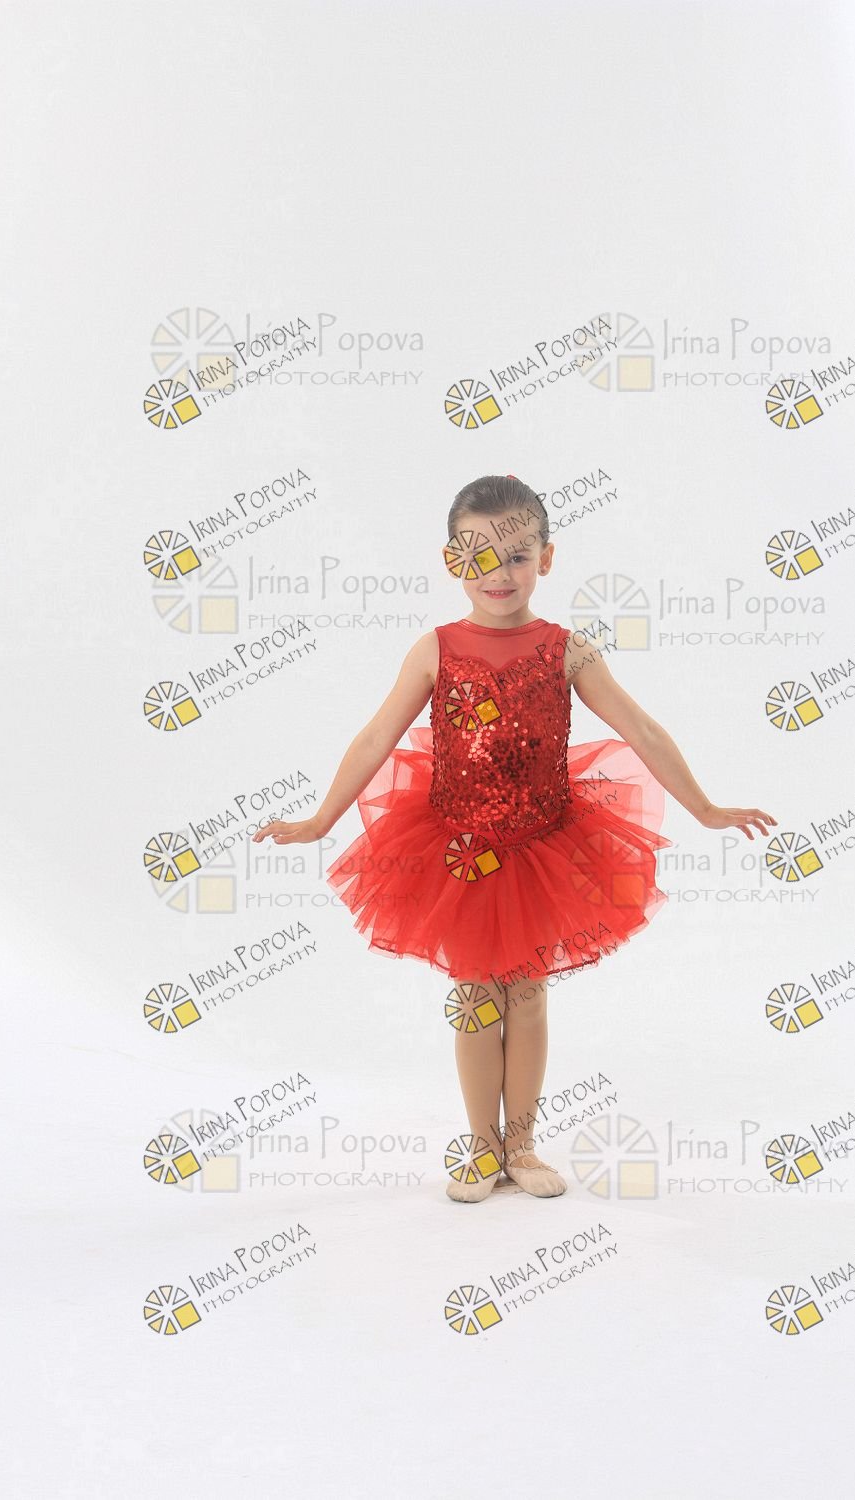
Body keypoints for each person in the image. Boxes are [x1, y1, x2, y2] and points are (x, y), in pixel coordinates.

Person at [252, 474, 776, 1204]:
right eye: (478, 557)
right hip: (458, 850)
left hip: (542, 846)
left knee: (526, 996)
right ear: (451, 561)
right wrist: (320, 819)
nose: (498, 574)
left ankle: (522, 1144)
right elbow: (376, 736)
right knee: (475, 998)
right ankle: (481, 1145)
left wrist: (706, 808)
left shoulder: (568, 651)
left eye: (518, 556)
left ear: (547, 558)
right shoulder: (435, 649)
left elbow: (642, 729)